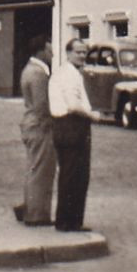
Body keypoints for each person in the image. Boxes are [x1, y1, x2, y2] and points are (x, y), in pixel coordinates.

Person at [48, 37, 95, 232]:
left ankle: (71, 221)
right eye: (78, 52)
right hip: (71, 125)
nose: (82, 56)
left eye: (84, 52)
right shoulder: (69, 75)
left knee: (75, 174)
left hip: (68, 126)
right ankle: (68, 222)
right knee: (73, 174)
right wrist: (93, 115)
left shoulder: (69, 73)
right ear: (68, 53)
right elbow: (73, 105)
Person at [12, 36, 55, 226]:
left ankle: (30, 209)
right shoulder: (38, 74)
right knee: (42, 171)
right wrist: (52, 124)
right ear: (40, 52)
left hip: (30, 124)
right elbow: (42, 105)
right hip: (39, 127)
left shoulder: (29, 70)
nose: (52, 54)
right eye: (49, 51)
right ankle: (37, 215)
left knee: (33, 169)